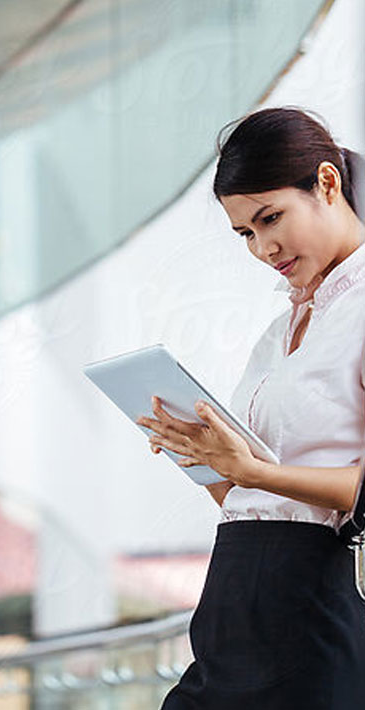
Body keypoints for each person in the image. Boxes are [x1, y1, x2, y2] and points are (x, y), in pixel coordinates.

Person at [140, 107, 365, 709]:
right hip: (234, 601)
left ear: (326, 183)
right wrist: (206, 459)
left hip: (315, 606)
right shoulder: (278, 332)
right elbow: (255, 497)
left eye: (270, 219)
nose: (263, 248)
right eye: (245, 233)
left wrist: (252, 471)